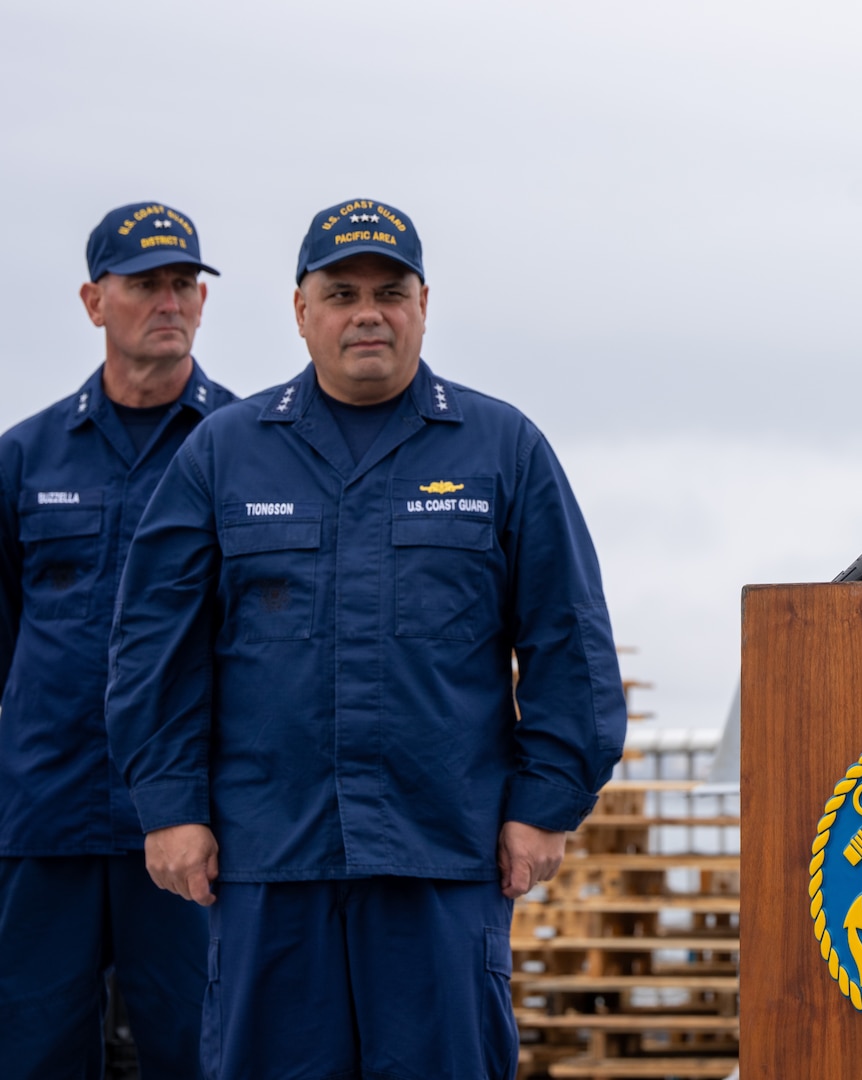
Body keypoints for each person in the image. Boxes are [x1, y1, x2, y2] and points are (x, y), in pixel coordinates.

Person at [105, 198, 627, 1078]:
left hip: (442, 851)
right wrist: (171, 806)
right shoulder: (223, 454)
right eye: (341, 293)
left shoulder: (504, 448)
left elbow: (568, 640)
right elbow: (155, 644)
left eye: (390, 291)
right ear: (301, 310)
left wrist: (546, 802)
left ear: (425, 303)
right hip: (270, 853)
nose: (368, 313)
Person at [0, 201, 234, 1077]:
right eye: (145, 285)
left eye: (184, 284)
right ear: (95, 300)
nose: (169, 301)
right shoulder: (25, 460)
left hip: (191, 824)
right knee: (31, 1050)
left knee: (202, 1047)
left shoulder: (248, 450)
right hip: (45, 817)